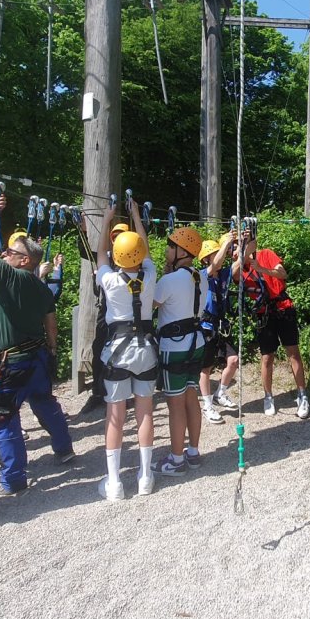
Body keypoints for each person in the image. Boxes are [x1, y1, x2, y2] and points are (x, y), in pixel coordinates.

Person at [0, 227, 76, 497]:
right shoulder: (41, 287)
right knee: (45, 404)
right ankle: (64, 449)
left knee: (4, 418)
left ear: (25, 261)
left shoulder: (9, 275)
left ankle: (12, 479)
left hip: (13, 363)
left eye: (11, 252)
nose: (4, 254)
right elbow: (51, 323)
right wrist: (53, 349)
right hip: (38, 357)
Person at [94, 202, 158, 499]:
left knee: (115, 415)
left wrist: (107, 220)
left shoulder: (108, 279)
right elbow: (144, 247)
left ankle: (115, 483)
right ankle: (145, 477)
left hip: (117, 351)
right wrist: (135, 215)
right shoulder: (151, 274)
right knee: (145, 414)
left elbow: (100, 255)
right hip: (145, 350)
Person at [152, 226, 209, 476]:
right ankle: (192, 452)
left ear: (181, 251)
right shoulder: (200, 277)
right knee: (191, 397)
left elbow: (149, 306)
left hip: (173, 346)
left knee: (175, 405)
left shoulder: (168, 281)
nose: (166, 249)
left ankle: (176, 460)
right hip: (196, 343)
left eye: (170, 245)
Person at [235, 230, 310, 419]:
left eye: (244, 243)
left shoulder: (266, 254)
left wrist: (262, 269)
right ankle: (268, 396)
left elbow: (282, 273)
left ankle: (303, 394)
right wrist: (242, 255)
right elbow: (235, 276)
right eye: (237, 246)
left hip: (283, 308)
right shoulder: (239, 267)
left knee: (293, 352)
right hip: (264, 313)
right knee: (267, 357)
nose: (239, 249)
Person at [78, 221, 129, 416]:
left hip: (124, 314)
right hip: (106, 311)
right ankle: (98, 393)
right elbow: (86, 253)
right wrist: (83, 230)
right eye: (114, 236)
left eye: (120, 236)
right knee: (98, 349)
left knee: (124, 353)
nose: (116, 240)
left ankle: (125, 393)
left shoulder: (134, 258)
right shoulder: (106, 257)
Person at [197, 233, 240, 424]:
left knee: (233, 360)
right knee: (205, 369)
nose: (219, 256)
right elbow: (214, 264)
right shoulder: (202, 275)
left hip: (220, 326)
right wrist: (227, 243)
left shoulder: (223, 274)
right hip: (206, 327)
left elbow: (244, 258)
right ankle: (207, 405)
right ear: (206, 258)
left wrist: (245, 242)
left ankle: (220, 393)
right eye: (214, 253)